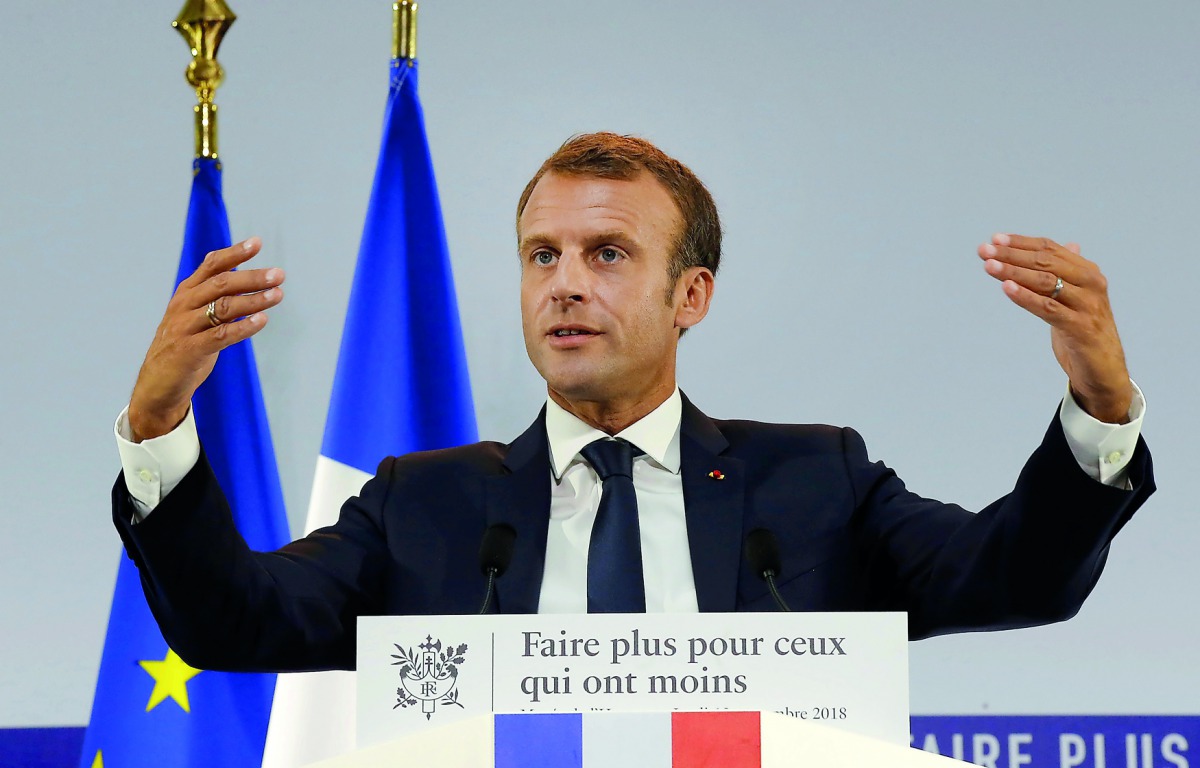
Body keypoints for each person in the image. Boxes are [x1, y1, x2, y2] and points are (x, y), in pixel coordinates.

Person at [113, 132, 1153, 673]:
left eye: (608, 254)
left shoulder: (813, 485)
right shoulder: (424, 506)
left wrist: (1098, 406)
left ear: (689, 294)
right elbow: (233, 621)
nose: (564, 283)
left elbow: (1016, 578)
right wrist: (161, 428)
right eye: (541, 255)